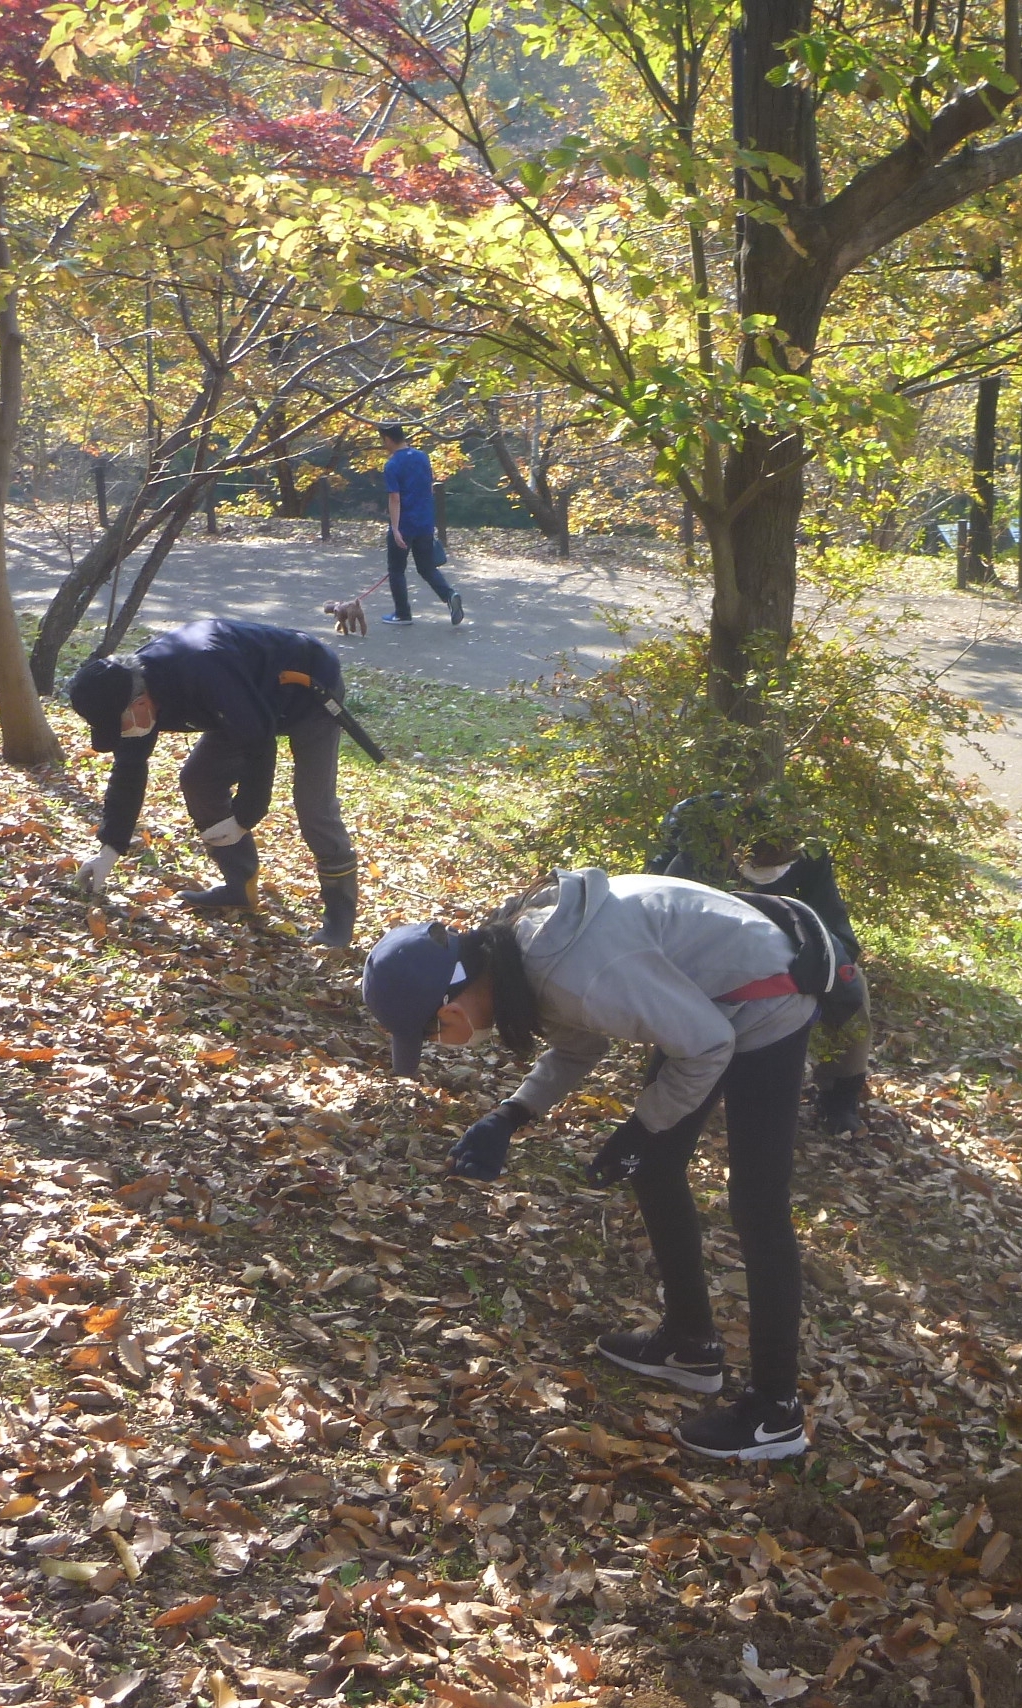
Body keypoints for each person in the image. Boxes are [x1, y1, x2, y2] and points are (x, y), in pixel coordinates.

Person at [361, 868, 824, 1462]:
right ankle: (690, 1344)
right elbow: (580, 1041)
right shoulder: (517, 958)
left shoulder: (574, 970)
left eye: (429, 1033)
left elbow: (707, 1045)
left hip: (768, 995)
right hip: (708, 999)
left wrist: (640, 1129)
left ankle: (776, 1414)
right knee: (655, 1168)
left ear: (447, 1007)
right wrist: (512, 1115)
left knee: (757, 1203)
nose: (439, 1044)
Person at [66, 618, 361, 948]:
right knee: (199, 779)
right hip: (245, 703)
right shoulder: (129, 688)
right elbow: (129, 769)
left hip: (309, 687)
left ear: (140, 704)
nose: (122, 734)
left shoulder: (203, 669)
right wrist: (110, 847)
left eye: (119, 725)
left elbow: (259, 742)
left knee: (314, 807)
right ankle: (239, 885)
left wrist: (245, 817)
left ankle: (339, 920)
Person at [651, 791, 871, 1135]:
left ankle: (841, 1093)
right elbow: (660, 923)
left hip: (786, 959)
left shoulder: (809, 856)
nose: (771, 861)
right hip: (702, 959)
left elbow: (836, 932)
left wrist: (818, 967)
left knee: (854, 985)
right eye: (761, 853)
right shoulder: (694, 849)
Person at [378, 421, 465, 627]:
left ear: (388, 439)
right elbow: (429, 488)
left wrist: (396, 528)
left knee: (396, 569)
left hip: (405, 524)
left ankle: (402, 614)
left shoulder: (392, 465)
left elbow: (395, 498)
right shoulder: (422, 457)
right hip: (424, 522)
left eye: (383, 440)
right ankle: (449, 594)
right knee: (426, 568)